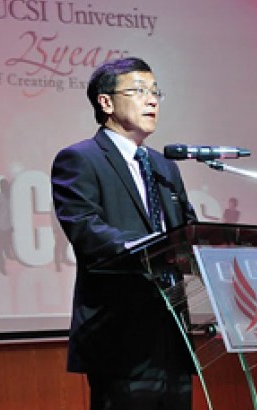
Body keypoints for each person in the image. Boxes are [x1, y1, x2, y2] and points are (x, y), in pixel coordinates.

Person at [51, 57, 198, 409]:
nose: (152, 100)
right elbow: (86, 230)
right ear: (106, 102)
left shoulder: (165, 166)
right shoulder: (80, 159)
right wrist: (152, 248)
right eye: (139, 91)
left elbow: (186, 228)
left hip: (172, 333)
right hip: (120, 334)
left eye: (155, 92)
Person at [0, 177, 15, 275]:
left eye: (7, 185)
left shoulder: (11, 197)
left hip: (10, 225)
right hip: (2, 227)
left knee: (8, 242)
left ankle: (8, 255)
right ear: (1, 187)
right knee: (0, 246)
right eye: (4, 186)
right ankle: (0, 264)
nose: (6, 187)